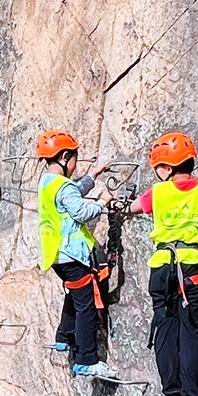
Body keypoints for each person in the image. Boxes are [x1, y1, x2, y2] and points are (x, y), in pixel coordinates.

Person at [133, 130, 198, 396]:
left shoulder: (156, 194)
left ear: (164, 167)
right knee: (191, 332)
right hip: (193, 267)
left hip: (162, 265)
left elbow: (136, 207)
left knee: (165, 329)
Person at [36, 131, 122, 382]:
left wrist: (92, 176)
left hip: (56, 255)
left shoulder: (47, 182)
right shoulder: (62, 186)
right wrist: (104, 201)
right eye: (74, 157)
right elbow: (82, 211)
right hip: (72, 254)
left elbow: (71, 191)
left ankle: (64, 337)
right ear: (64, 157)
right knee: (86, 305)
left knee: (74, 294)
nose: (75, 163)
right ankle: (87, 360)